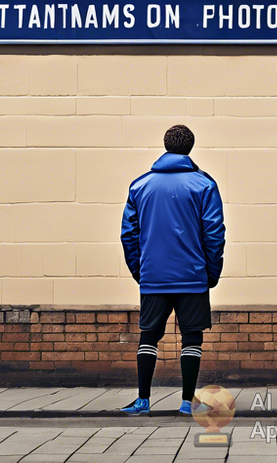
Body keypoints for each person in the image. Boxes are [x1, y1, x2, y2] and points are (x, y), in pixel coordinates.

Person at [119, 124, 226, 416]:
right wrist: (211, 273)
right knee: (191, 338)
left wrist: (140, 272)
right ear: (190, 148)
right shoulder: (204, 185)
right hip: (193, 277)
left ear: (166, 146)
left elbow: (128, 234)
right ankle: (186, 402)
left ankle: (142, 400)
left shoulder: (140, 185)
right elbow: (214, 233)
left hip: (154, 277)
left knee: (148, 336)